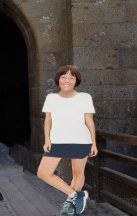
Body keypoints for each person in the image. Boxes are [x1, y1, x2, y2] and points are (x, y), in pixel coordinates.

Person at [36, 65, 97, 215]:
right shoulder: (51, 98)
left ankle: (71, 205)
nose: (67, 80)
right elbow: (48, 121)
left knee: (77, 173)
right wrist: (47, 140)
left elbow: (89, 121)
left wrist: (93, 142)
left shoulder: (85, 97)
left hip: (81, 139)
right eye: (64, 77)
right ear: (58, 80)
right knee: (43, 173)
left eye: (71, 77)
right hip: (57, 140)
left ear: (76, 80)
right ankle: (75, 195)